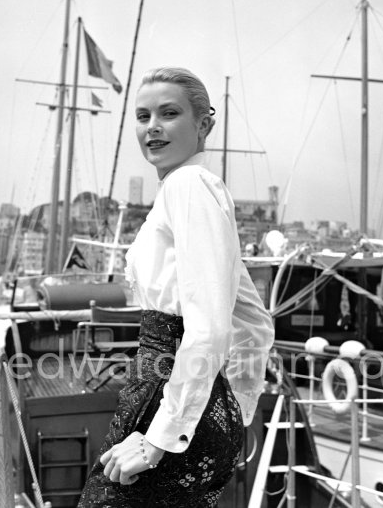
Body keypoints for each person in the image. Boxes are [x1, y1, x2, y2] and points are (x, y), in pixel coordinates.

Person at [78, 67, 274, 507]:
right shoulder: (189, 189)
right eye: (143, 116)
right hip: (180, 404)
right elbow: (254, 322)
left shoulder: (188, 186)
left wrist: (158, 438)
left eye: (169, 113)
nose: (153, 128)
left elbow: (209, 330)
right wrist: (235, 404)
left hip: (165, 406)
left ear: (204, 123)